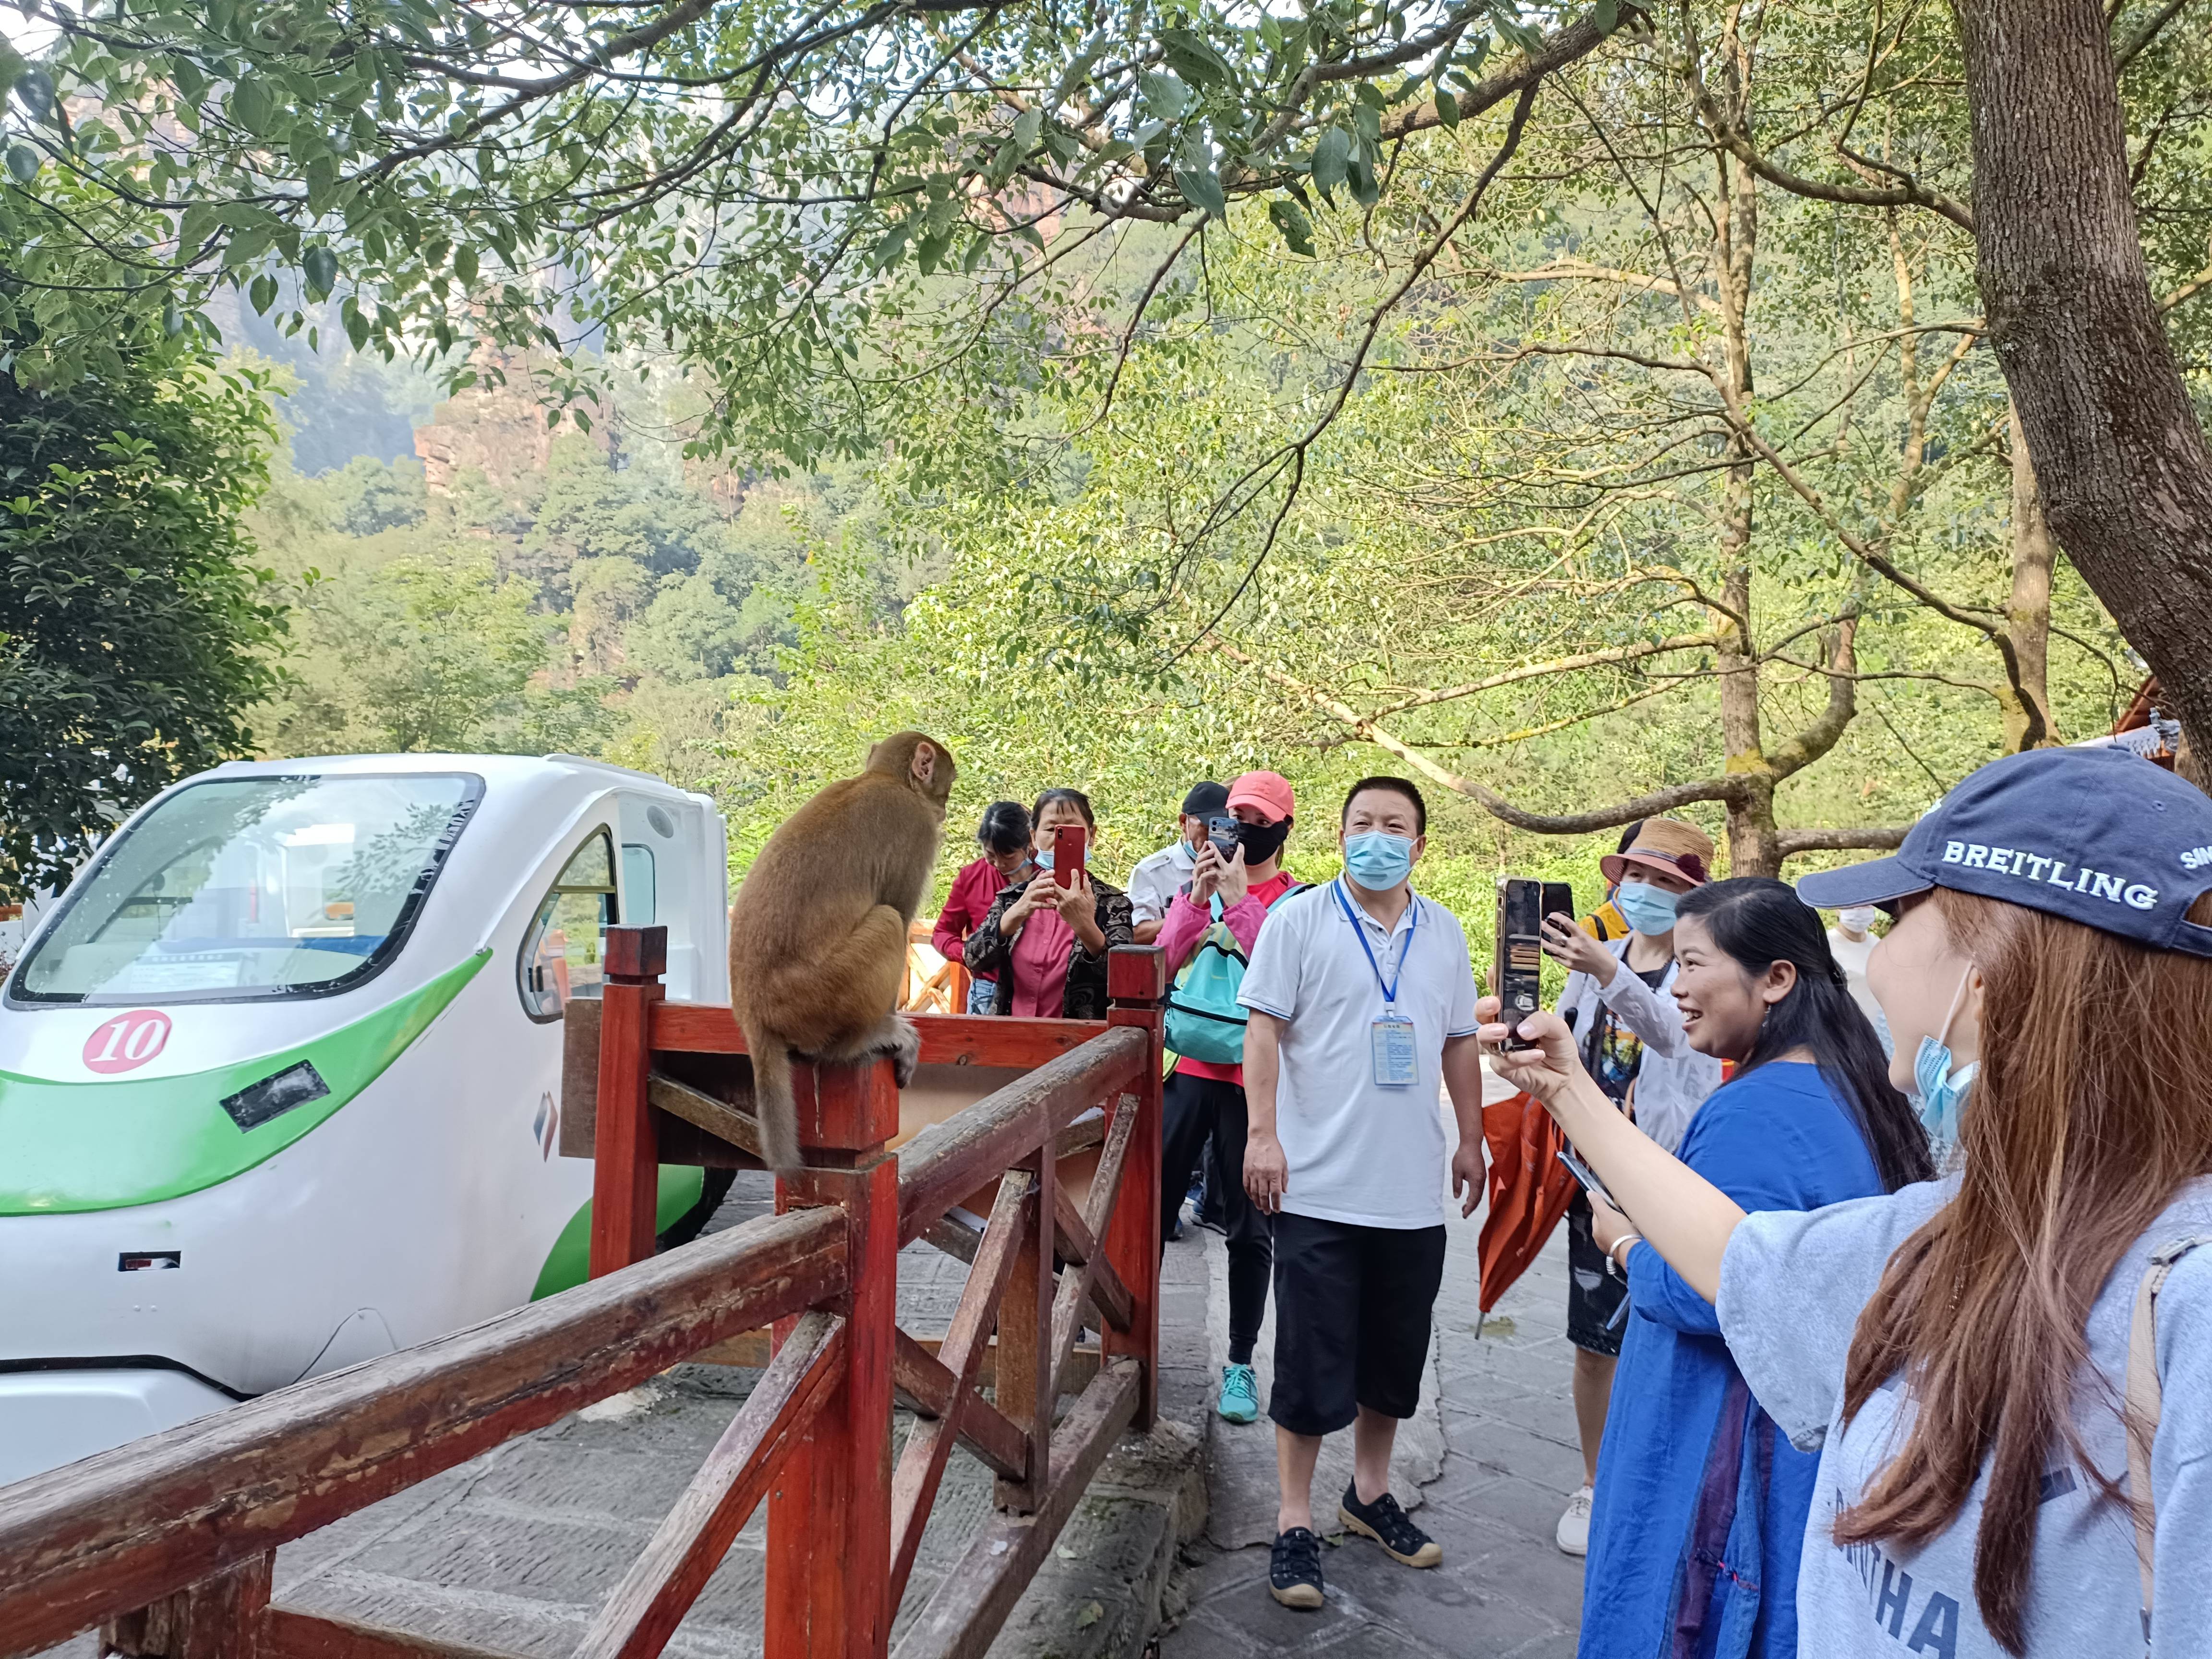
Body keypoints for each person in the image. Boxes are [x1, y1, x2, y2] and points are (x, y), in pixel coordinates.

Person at [1481, 745, 2212, 1659]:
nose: (1866, 946)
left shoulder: (2187, 1306)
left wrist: (1622, 1238)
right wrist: (1565, 1093)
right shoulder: (1958, 1226)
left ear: (1988, 969)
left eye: (1896, 913)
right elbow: (1738, 1257)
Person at [1572, 878, 1932, 1657]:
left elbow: (1722, 1289)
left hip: (1723, 1444)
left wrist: (1625, 1243)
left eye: (1695, 963)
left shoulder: (1753, 1113)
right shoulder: (1853, 1084)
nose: (1680, 985)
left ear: (1775, 978)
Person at [1238, 777, 1487, 1611]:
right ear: (1338, 835)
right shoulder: (1296, 920)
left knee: (1391, 1357)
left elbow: (1457, 1044)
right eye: (1361, 823)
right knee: (1309, 1360)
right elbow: (1262, 1032)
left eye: (1394, 826)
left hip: (1409, 1188)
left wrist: (1472, 1138)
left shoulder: (1444, 932)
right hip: (1316, 1185)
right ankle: (1294, 1519)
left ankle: (1370, 1494)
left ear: (1418, 846)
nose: (1375, 836)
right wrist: (1262, 1135)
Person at [1534, 816, 1724, 1556]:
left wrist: (1612, 974)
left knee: (1665, 1331)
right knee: (1593, 1340)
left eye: (1664, 882)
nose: (1643, 891)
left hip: (1671, 1176)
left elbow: (1675, 1036)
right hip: (1594, 1179)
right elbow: (1569, 1034)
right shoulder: (1595, 955)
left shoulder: (1699, 971)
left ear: (1692, 897)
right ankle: (1594, 1481)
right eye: (1635, 877)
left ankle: (1659, 1486)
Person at [1154, 770, 1304, 1425]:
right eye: (1237, 814)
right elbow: (1159, 962)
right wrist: (1196, 898)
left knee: (1250, 1229)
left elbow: (1285, 978)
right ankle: (1132, 1343)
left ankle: (1241, 1364)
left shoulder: (1300, 905)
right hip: (1189, 1071)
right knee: (1149, 1211)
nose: (1244, 827)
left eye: (1260, 817)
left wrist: (1242, 902)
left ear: (1284, 828)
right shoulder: (1204, 886)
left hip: (1255, 1086)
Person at [963, 788, 1134, 1019]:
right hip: (1011, 1038)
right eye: (1051, 829)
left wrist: (1085, 926)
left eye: (1071, 829)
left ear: (1091, 835)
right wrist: (1014, 915)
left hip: (1081, 1046)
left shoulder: (1112, 904)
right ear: (1033, 837)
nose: (1059, 838)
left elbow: (1125, 979)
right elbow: (974, 960)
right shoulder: (1012, 897)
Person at [933, 801, 1035, 1014]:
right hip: (987, 990)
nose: (999, 864)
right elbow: (942, 933)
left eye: (1008, 857)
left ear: (1030, 844)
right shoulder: (971, 877)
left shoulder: (1047, 875)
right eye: (991, 855)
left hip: (1037, 989)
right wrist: (968, 954)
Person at [1128, 781, 1229, 946]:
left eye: (1223, 828)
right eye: (1208, 827)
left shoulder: (1239, 869)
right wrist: (1189, 914)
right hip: (1175, 967)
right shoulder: (1151, 872)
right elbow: (1138, 934)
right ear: (1184, 822)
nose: (1214, 836)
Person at [1826, 903, 1894, 1055]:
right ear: (1838, 909)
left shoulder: (1877, 944)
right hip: (1844, 1038)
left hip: (1880, 1036)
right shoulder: (1827, 946)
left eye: (1865, 905)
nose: (1859, 910)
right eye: (1852, 905)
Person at [1578, 819, 1645, 941]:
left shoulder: (1685, 922)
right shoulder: (1594, 927)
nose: (1648, 886)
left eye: (1665, 879)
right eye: (1636, 874)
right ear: (1622, 873)